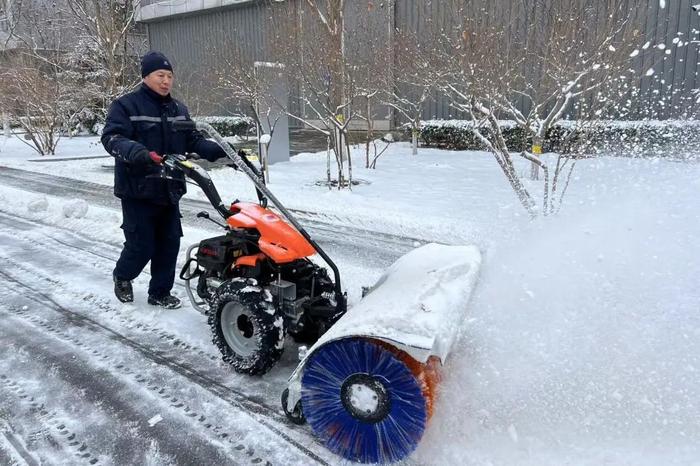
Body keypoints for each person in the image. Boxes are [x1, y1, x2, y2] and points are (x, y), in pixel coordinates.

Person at [102, 51, 227, 309]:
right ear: (146, 76)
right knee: (141, 245)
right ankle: (123, 276)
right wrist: (138, 152)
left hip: (169, 188)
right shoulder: (126, 106)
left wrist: (218, 150)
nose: (166, 81)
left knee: (169, 245)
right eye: (160, 75)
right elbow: (112, 138)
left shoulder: (178, 109)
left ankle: (159, 292)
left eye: (169, 76)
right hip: (138, 188)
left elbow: (192, 140)